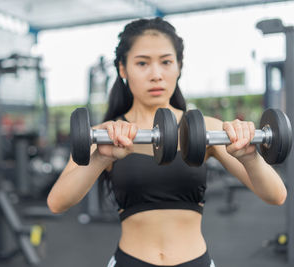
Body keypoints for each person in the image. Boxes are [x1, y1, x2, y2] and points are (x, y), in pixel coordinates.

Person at [47, 17, 287, 267]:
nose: (156, 75)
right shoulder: (104, 134)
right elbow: (57, 202)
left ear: (179, 67)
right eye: (142, 63)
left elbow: (276, 195)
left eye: (166, 62)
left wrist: (249, 156)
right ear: (122, 69)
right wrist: (101, 158)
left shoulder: (207, 129)